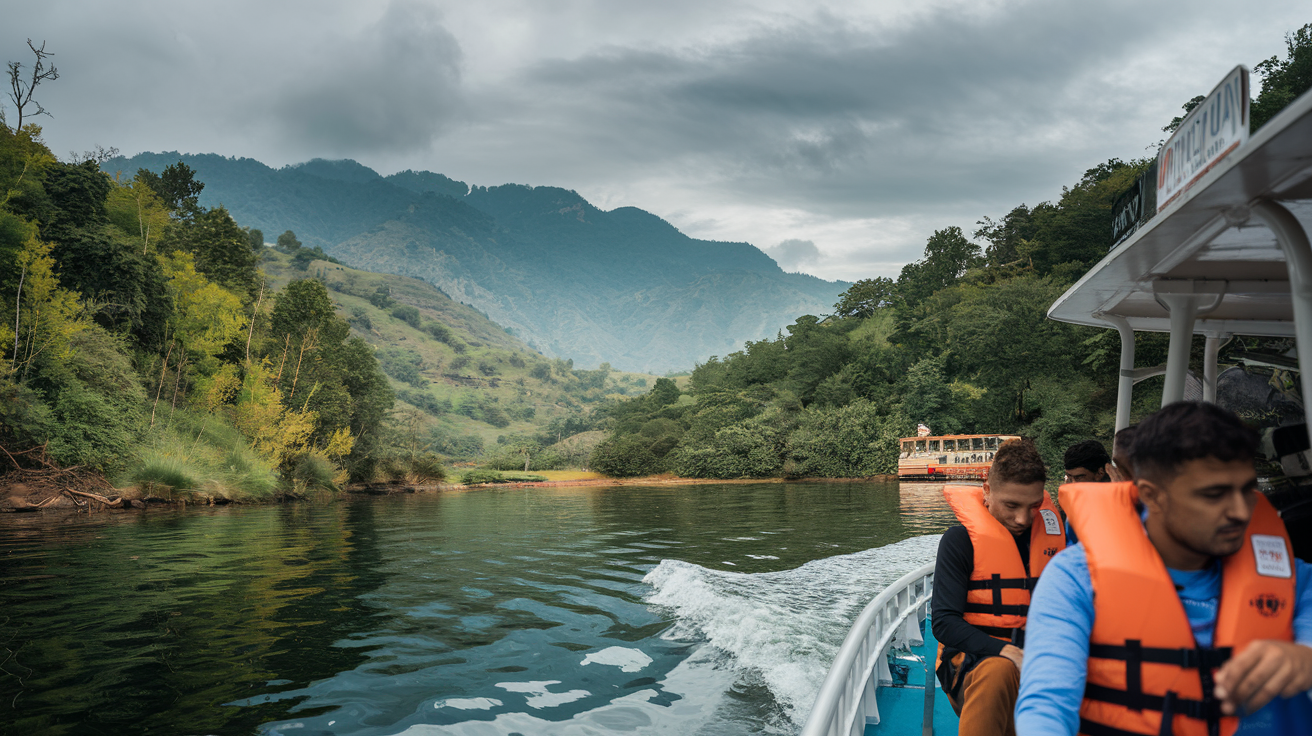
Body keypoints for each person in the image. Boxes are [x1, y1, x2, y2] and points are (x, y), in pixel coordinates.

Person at [1016, 402, 1312, 735]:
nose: (1240, 512)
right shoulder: (1075, 580)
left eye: (1247, 491)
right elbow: (1046, 708)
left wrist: (1305, 658)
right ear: (1152, 497)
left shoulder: (1296, 581)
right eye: (1214, 495)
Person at [932, 438, 1067, 736]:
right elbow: (944, 623)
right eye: (1011, 505)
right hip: (975, 664)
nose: (1023, 518)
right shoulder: (959, 542)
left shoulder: (1057, 541)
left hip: (1041, 662)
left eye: (1033, 506)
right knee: (999, 671)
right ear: (987, 490)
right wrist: (1007, 651)